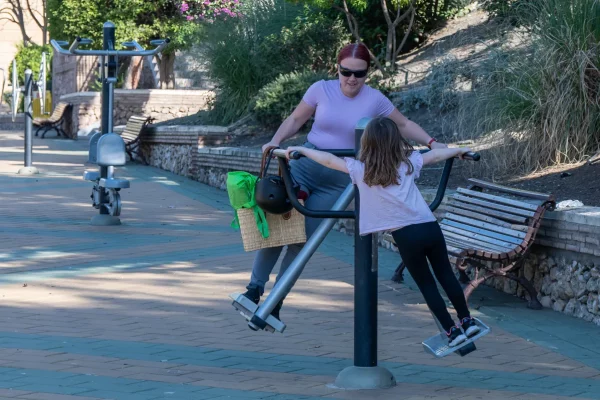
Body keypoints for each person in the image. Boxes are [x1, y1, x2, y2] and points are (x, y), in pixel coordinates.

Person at [242, 42, 448, 321]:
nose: (352, 79)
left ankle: (275, 302)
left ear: (367, 74)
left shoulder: (374, 99)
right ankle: (254, 289)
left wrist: (434, 143)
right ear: (337, 68)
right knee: (279, 229)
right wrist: (275, 141)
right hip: (304, 169)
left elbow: (403, 125)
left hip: (340, 180)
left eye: (359, 74)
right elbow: (296, 119)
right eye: (346, 72)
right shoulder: (321, 89)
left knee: (302, 242)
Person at [285, 117, 480, 347]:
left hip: (406, 235)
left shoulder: (361, 171)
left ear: (367, 143)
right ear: (396, 141)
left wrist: (301, 150)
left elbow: (328, 160)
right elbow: (436, 155)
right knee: (446, 276)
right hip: (429, 227)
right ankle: (467, 321)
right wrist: (460, 150)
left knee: (427, 285)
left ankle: (451, 331)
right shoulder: (408, 162)